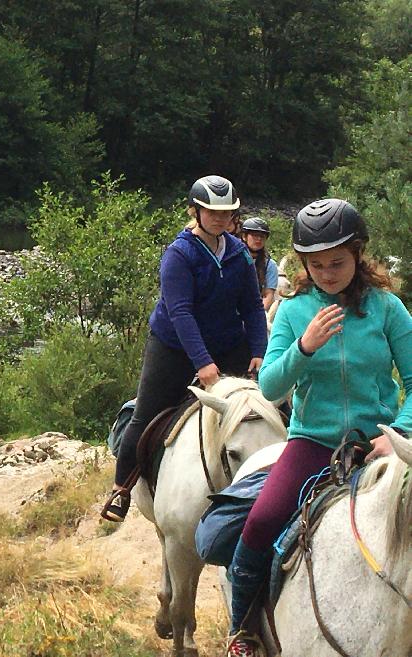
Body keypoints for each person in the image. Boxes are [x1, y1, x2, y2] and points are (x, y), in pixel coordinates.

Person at [224, 199, 412, 657]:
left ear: (358, 255)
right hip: (312, 442)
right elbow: (269, 386)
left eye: (337, 262)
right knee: (262, 520)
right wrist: (303, 348)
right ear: (304, 265)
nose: (328, 272)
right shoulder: (291, 312)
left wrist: (396, 432)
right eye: (317, 264)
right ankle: (243, 628)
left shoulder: (386, 308)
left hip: (380, 442)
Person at [101, 175, 268, 522]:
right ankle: (121, 488)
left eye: (227, 213)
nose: (220, 219)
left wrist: (259, 350)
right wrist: (203, 362)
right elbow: (180, 312)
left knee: (269, 407)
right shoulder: (180, 254)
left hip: (228, 343)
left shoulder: (238, 254)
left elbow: (252, 307)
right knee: (146, 414)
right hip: (175, 346)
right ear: (196, 211)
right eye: (212, 212)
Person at [240, 217, 279, 311]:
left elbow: (268, 295)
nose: (259, 239)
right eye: (254, 235)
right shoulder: (233, 259)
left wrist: (258, 315)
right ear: (244, 236)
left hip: (256, 308)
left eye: (262, 236)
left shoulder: (269, 265)